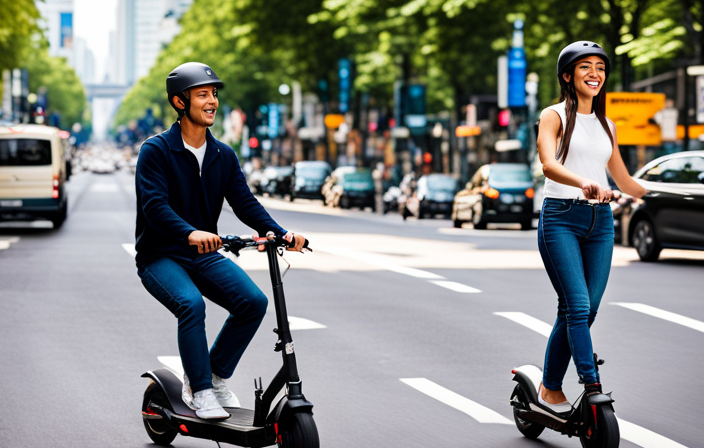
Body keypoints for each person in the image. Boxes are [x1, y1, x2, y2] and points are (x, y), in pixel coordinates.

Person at [134, 62, 306, 420]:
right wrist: (189, 232)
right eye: (203, 95)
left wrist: (281, 232)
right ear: (180, 103)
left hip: (204, 254)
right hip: (160, 255)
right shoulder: (156, 151)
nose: (212, 101)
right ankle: (199, 392)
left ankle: (212, 375)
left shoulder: (222, 155)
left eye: (214, 94)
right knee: (191, 305)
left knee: (252, 302)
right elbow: (154, 206)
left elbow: (245, 204)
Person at [535, 42, 647, 413]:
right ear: (568, 75)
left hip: (600, 223)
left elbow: (624, 179)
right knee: (578, 307)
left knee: (583, 310)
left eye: (600, 67)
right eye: (585, 66)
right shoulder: (553, 115)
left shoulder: (607, 125)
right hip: (561, 218)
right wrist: (585, 182)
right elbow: (549, 165)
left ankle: (550, 388)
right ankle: (591, 382)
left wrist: (656, 191)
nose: (595, 73)